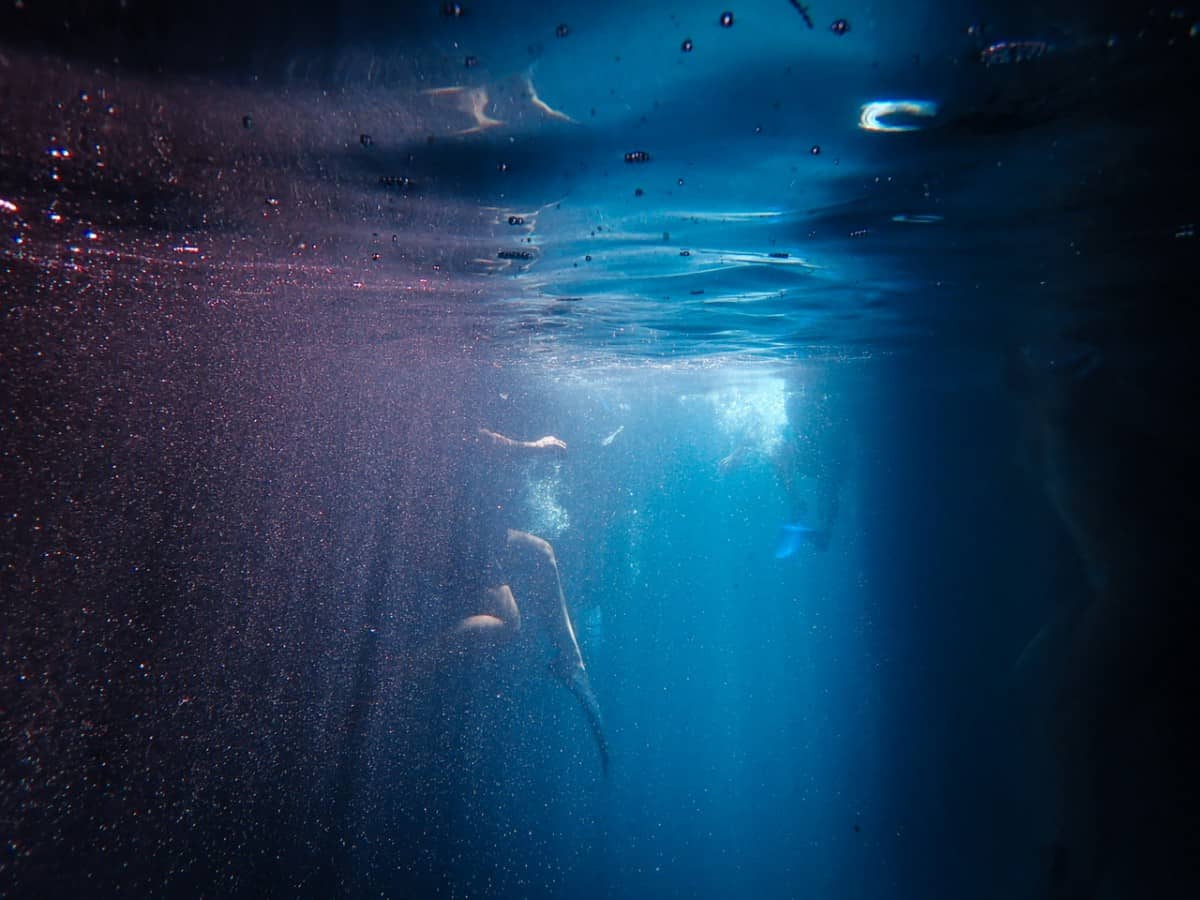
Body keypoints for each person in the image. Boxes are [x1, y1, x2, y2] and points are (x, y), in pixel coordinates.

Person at [451, 427, 609, 773]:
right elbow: (482, 441)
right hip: (450, 532)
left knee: (541, 552)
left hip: (472, 528)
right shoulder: (446, 394)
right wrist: (535, 447)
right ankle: (413, 666)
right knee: (509, 624)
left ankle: (571, 662)